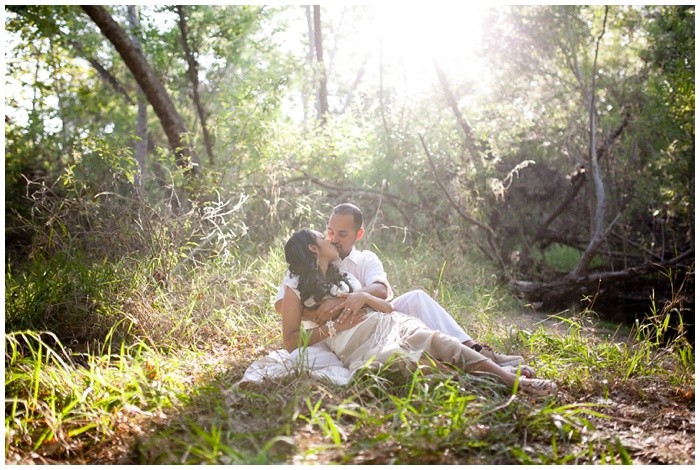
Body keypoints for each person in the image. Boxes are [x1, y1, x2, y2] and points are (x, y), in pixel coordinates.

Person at [280, 228, 557, 395]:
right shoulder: (295, 287)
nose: (332, 240)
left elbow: (386, 305)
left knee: (440, 340)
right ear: (313, 248)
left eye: (337, 235)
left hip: (388, 322)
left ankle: (514, 382)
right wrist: (329, 326)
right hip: (356, 342)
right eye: (323, 236)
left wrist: (356, 297)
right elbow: (290, 341)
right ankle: (490, 379)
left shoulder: (348, 278)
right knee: (415, 363)